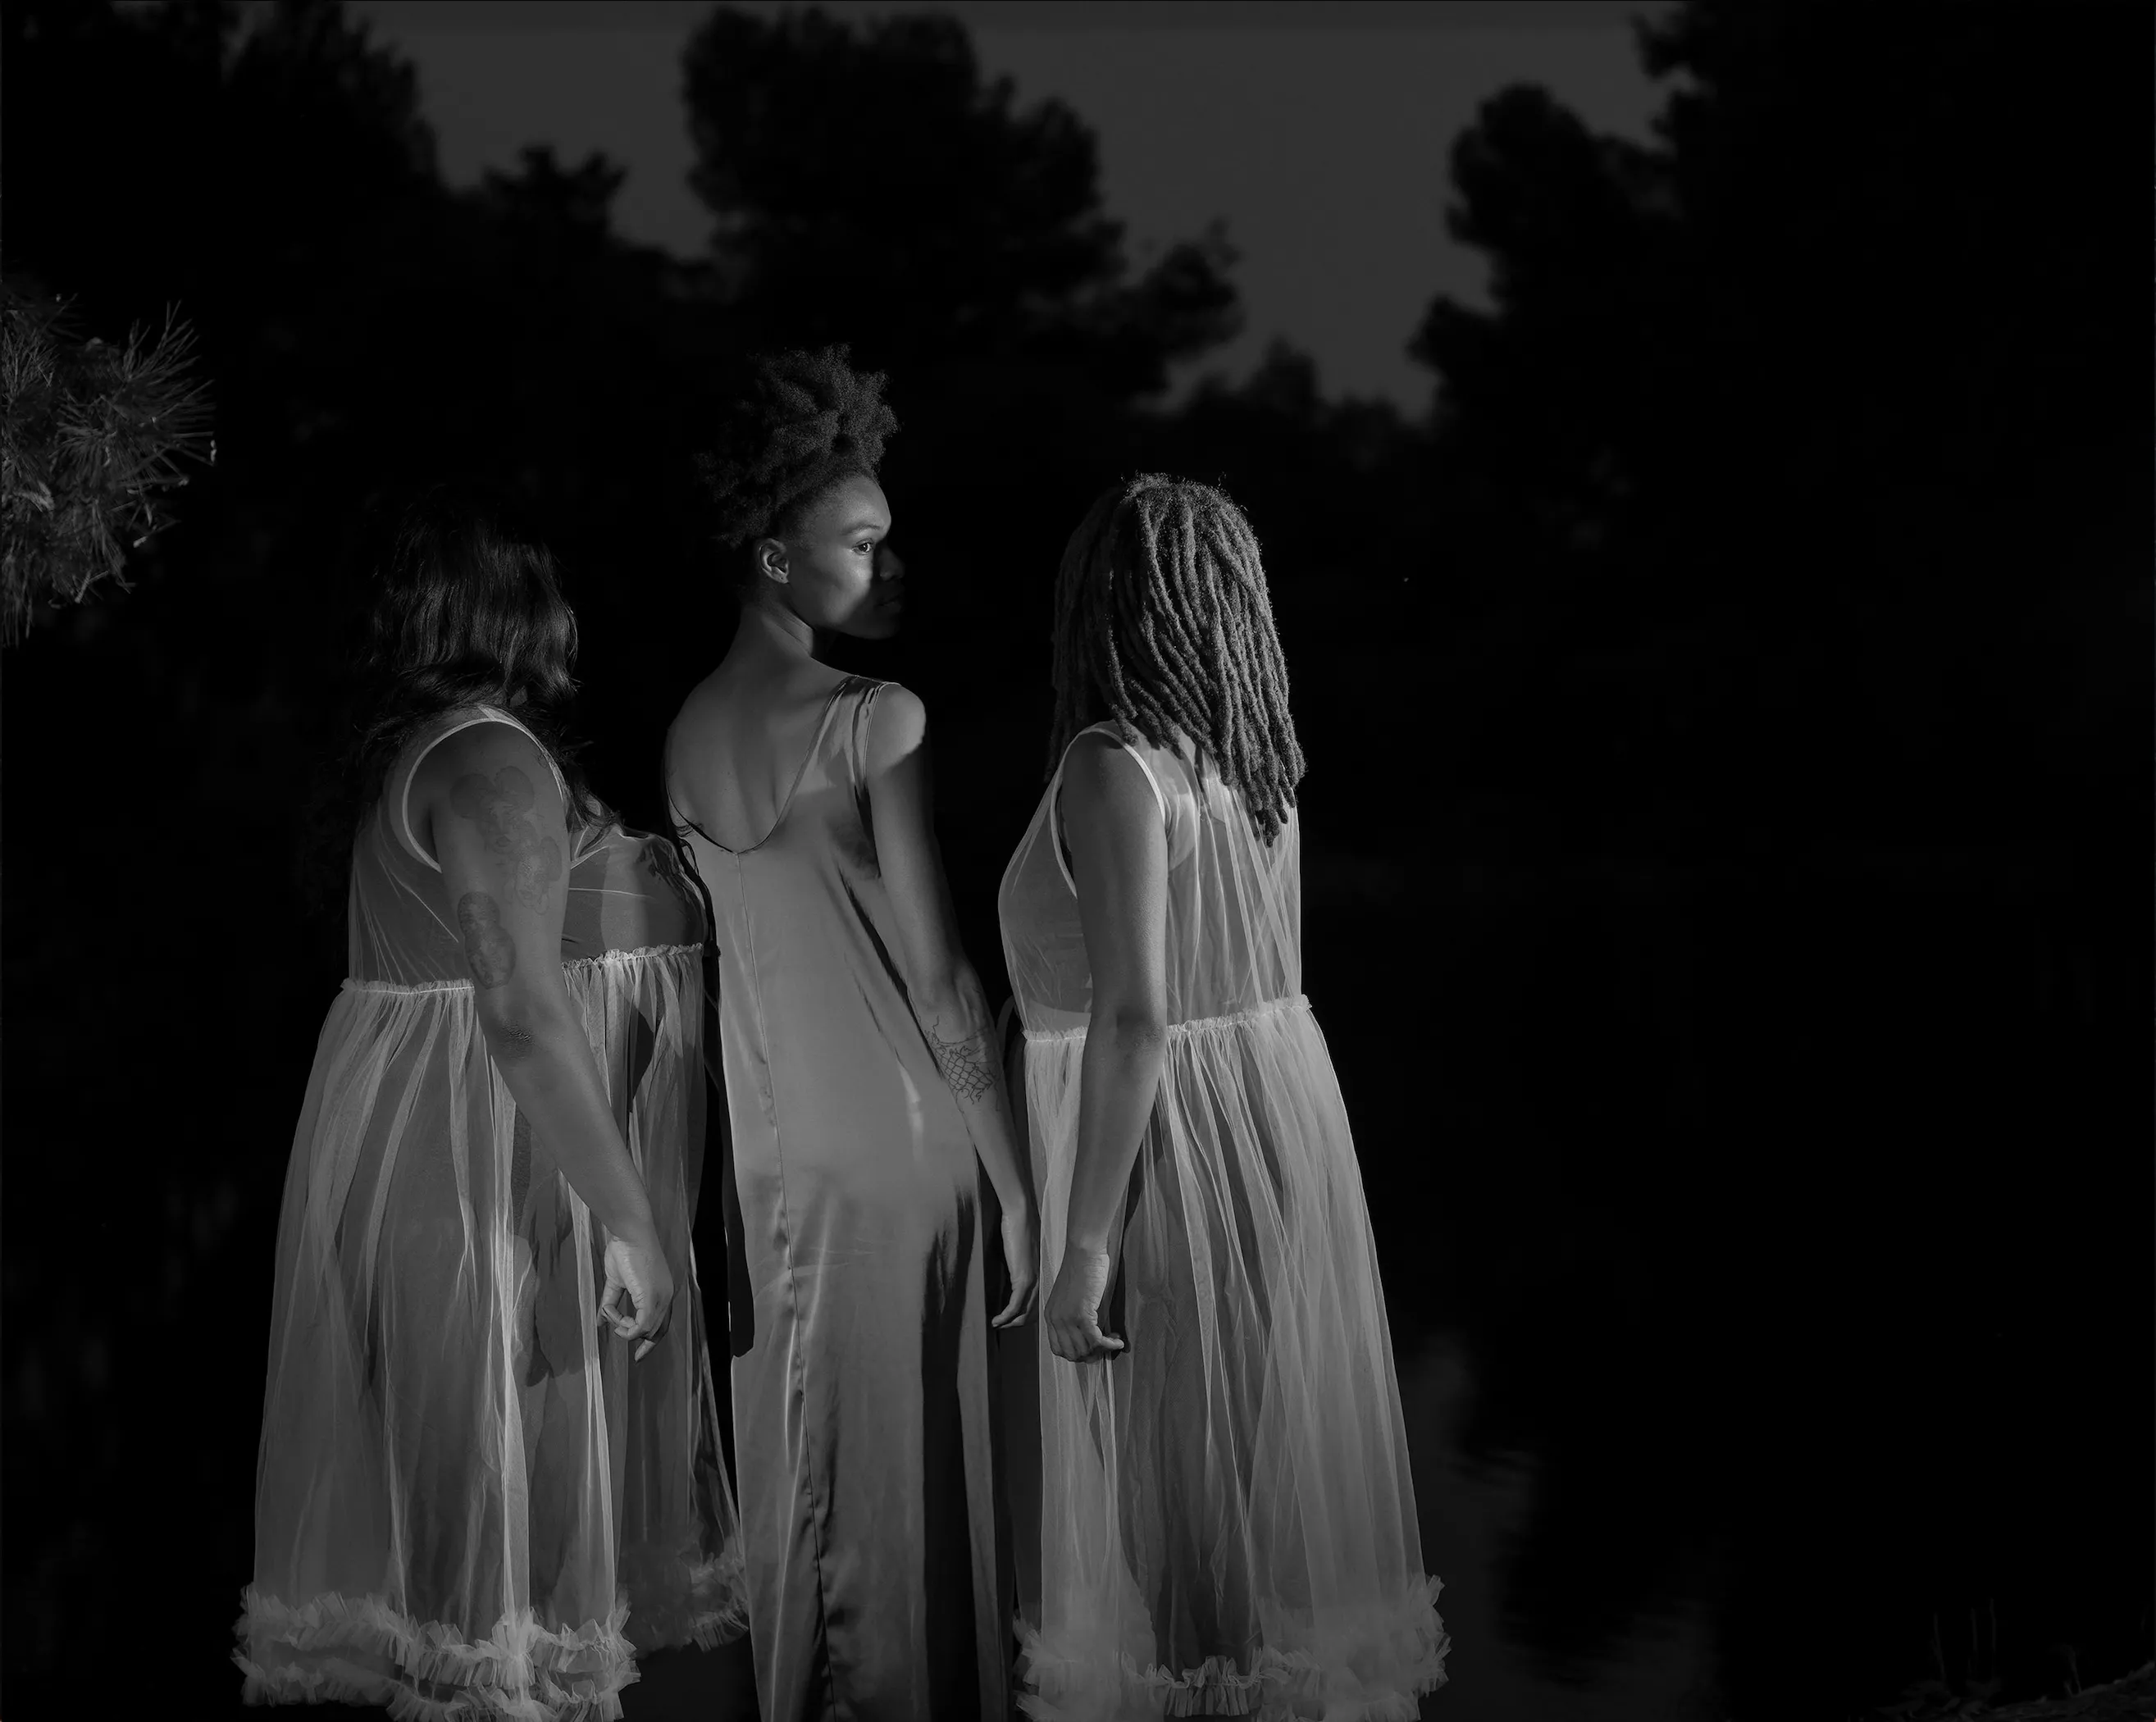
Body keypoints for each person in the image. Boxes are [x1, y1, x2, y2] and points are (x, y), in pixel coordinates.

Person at [237, 494, 745, 1720]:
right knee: (505, 1570)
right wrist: (630, 1220)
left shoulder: (408, 759)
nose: (571, 616)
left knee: (462, 1562)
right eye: (550, 592)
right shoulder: (490, 759)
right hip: (471, 1196)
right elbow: (517, 1009)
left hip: (410, 1182)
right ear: (507, 611)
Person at [997, 474, 1450, 1720]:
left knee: (1178, 1530)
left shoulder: (1112, 765)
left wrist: (1083, 1242)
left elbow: (1138, 1017)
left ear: (1098, 605)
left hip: (1163, 1161)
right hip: (1261, 1136)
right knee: (1223, 1502)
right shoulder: (1253, 768)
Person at [664, 347, 1038, 1721]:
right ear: (774, 557)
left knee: (810, 1502)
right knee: (907, 1511)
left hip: (766, 1178)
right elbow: (942, 983)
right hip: (899, 1155)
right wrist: (1018, 1179)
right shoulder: (879, 719)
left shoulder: (685, 733)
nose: (890, 568)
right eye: (861, 544)